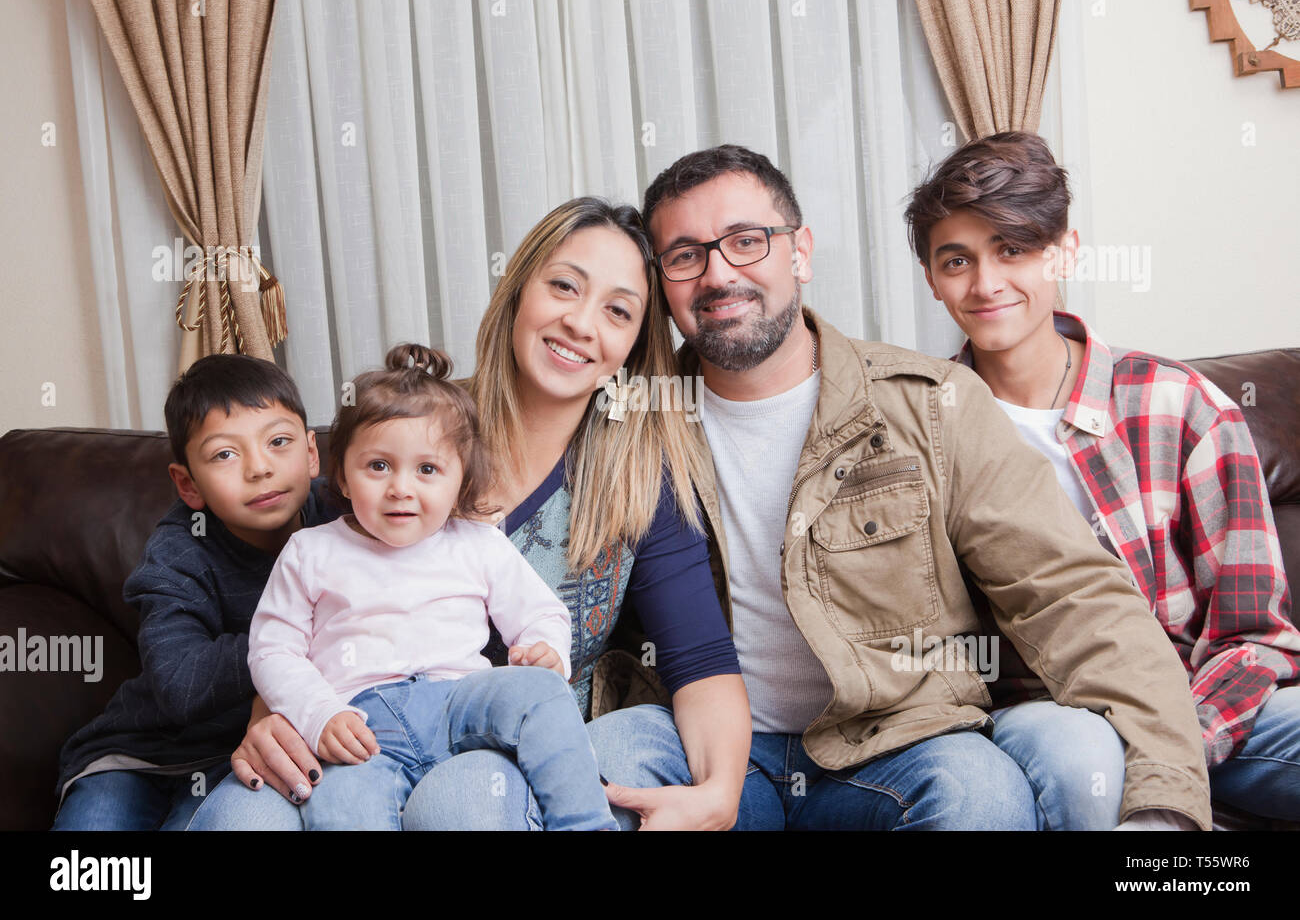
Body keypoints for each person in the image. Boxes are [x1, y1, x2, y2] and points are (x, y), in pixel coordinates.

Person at [586, 143, 1215, 830]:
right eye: (685, 255)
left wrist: (1166, 806)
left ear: (800, 252)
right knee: (610, 755)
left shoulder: (932, 404)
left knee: (980, 791)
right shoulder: (630, 422)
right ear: (662, 282)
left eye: (746, 242)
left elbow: (1074, 600)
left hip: (891, 747)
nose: (718, 273)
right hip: (706, 744)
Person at [188, 197, 748, 831]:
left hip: (524, 739)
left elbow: (700, 659)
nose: (581, 323)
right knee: (239, 820)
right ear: (517, 292)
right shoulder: (400, 429)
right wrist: (271, 718)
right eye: (563, 285)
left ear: (633, 345)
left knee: (461, 805)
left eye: (617, 310)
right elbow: (303, 613)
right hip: (357, 733)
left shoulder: (640, 477)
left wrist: (722, 792)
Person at [905, 130, 1300, 827]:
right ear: (933, 280)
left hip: (1198, 704)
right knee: (1078, 755)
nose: (986, 283)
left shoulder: (1181, 406)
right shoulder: (922, 433)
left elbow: (1252, 635)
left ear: (1066, 250)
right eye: (957, 260)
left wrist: (1174, 748)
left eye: (1013, 250)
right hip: (1049, 718)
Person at [244, 343, 616, 830]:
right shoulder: (310, 551)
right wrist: (319, 716)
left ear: (460, 480)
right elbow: (272, 652)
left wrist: (544, 650)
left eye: (427, 469)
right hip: (359, 724)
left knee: (541, 692)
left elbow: (540, 613)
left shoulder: (478, 542)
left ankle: (586, 824)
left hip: (459, 701)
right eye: (378, 466)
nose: (401, 487)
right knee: (340, 807)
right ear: (344, 475)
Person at [52, 354, 337, 830]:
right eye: (225, 454)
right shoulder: (180, 549)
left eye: (279, 442)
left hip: (234, 760)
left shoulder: (343, 514)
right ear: (188, 484)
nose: (259, 468)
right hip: (140, 755)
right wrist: (294, 641)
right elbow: (180, 684)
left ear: (311, 453)